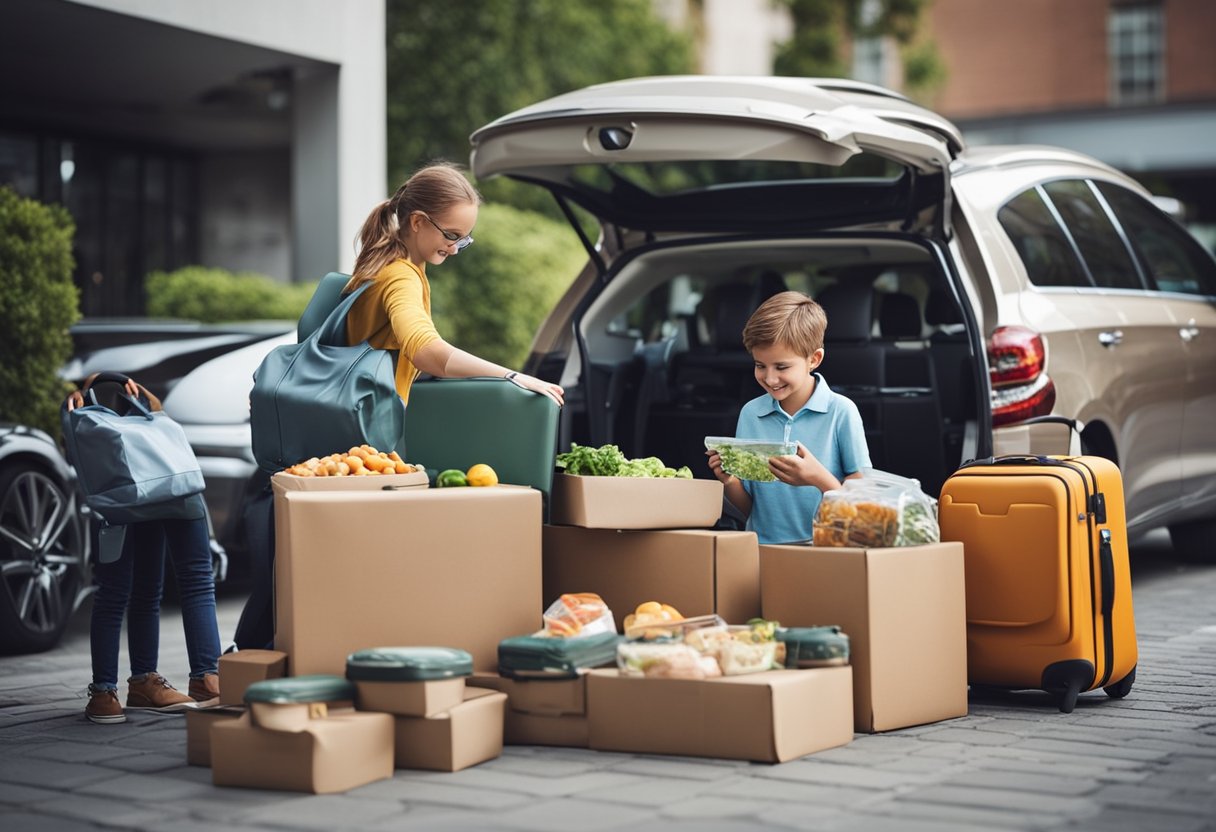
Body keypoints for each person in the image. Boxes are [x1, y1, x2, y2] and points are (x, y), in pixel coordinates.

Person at [343, 161, 564, 407]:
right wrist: (510, 375)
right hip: (363, 438)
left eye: (463, 239)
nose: (455, 249)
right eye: (451, 235)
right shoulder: (400, 277)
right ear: (417, 222)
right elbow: (426, 351)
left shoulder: (381, 265)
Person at [67, 377, 222, 724]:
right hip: (175, 488)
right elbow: (160, 413)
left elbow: (72, 438)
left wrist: (83, 393)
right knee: (193, 579)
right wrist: (130, 389)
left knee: (121, 589)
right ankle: (204, 678)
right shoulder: (151, 416)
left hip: (127, 497)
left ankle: (111, 691)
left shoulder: (86, 421)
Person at [706, 291, 871, 544]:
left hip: (827, 550)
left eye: (782, 367)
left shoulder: (841, 412)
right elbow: (751, 511)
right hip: (764, 549)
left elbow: (860, 513)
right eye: (760, 365)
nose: (770, 379)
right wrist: (729, 481)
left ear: (814, 359)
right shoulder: (751, 414)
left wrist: (816, 477)